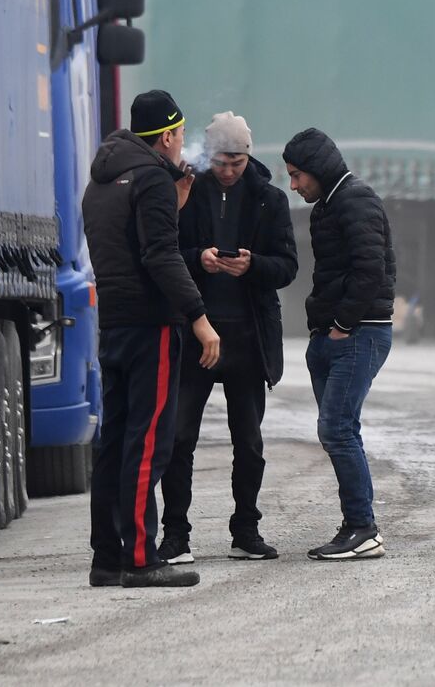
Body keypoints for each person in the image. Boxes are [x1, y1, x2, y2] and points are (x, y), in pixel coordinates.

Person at [81, 89, 221, 589]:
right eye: (181, 136)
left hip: (115, 324)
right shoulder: (153, 180)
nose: (183, 145)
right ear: (166, 136)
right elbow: (160, 255)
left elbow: (127, 244)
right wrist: (199, 318)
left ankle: (108, 557)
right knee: (149, 443)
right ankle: (141, 558)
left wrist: (175, 203)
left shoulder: (101, 183)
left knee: (115, 441)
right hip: (152, 327)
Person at [159, 112, 298, 564]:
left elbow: (288, 267)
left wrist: (253, 265)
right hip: (197, 333)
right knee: (180, 439)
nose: (228, 170)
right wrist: (199, 259)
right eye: (220, 160)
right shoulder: (187, 192)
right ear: (208, 155)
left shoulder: (270, 200)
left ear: (248, 156)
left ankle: (247, 531)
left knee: (249, 442)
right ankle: (175, 535)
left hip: (247, 335)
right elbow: (164, 253)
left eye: (237, 161)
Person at [282, 128, 396, 561]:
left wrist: (344, 325)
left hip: (359, 332)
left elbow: (373, 267)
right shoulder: (329, 204)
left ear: (318, 169)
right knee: (340, 431)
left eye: (297, 176)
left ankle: (364, 528)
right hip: (334, 334)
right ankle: (356, 524)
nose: (294, 185)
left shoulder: (356, 199)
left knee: (337, 429)